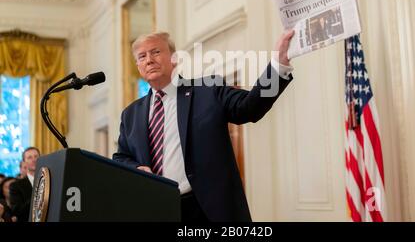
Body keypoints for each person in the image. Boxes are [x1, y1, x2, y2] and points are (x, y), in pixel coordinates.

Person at [113, 30, 295, 222]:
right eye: (142, 56)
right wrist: (136, 168)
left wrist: (279, 64)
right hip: (157, 210)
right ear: (138, 66)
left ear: (174, 58)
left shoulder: (208, 90)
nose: (149, 60)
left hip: (206, 211)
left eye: (156, 52)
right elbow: (121, 157)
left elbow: (250, 107)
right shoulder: (130, 114)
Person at [9, 147, 40, 222]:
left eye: (36, 156)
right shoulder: (16, 186)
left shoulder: (51, 180)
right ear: (24, 162)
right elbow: (17, 211)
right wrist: (38, 195)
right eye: (29, 157)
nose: (34, 160)